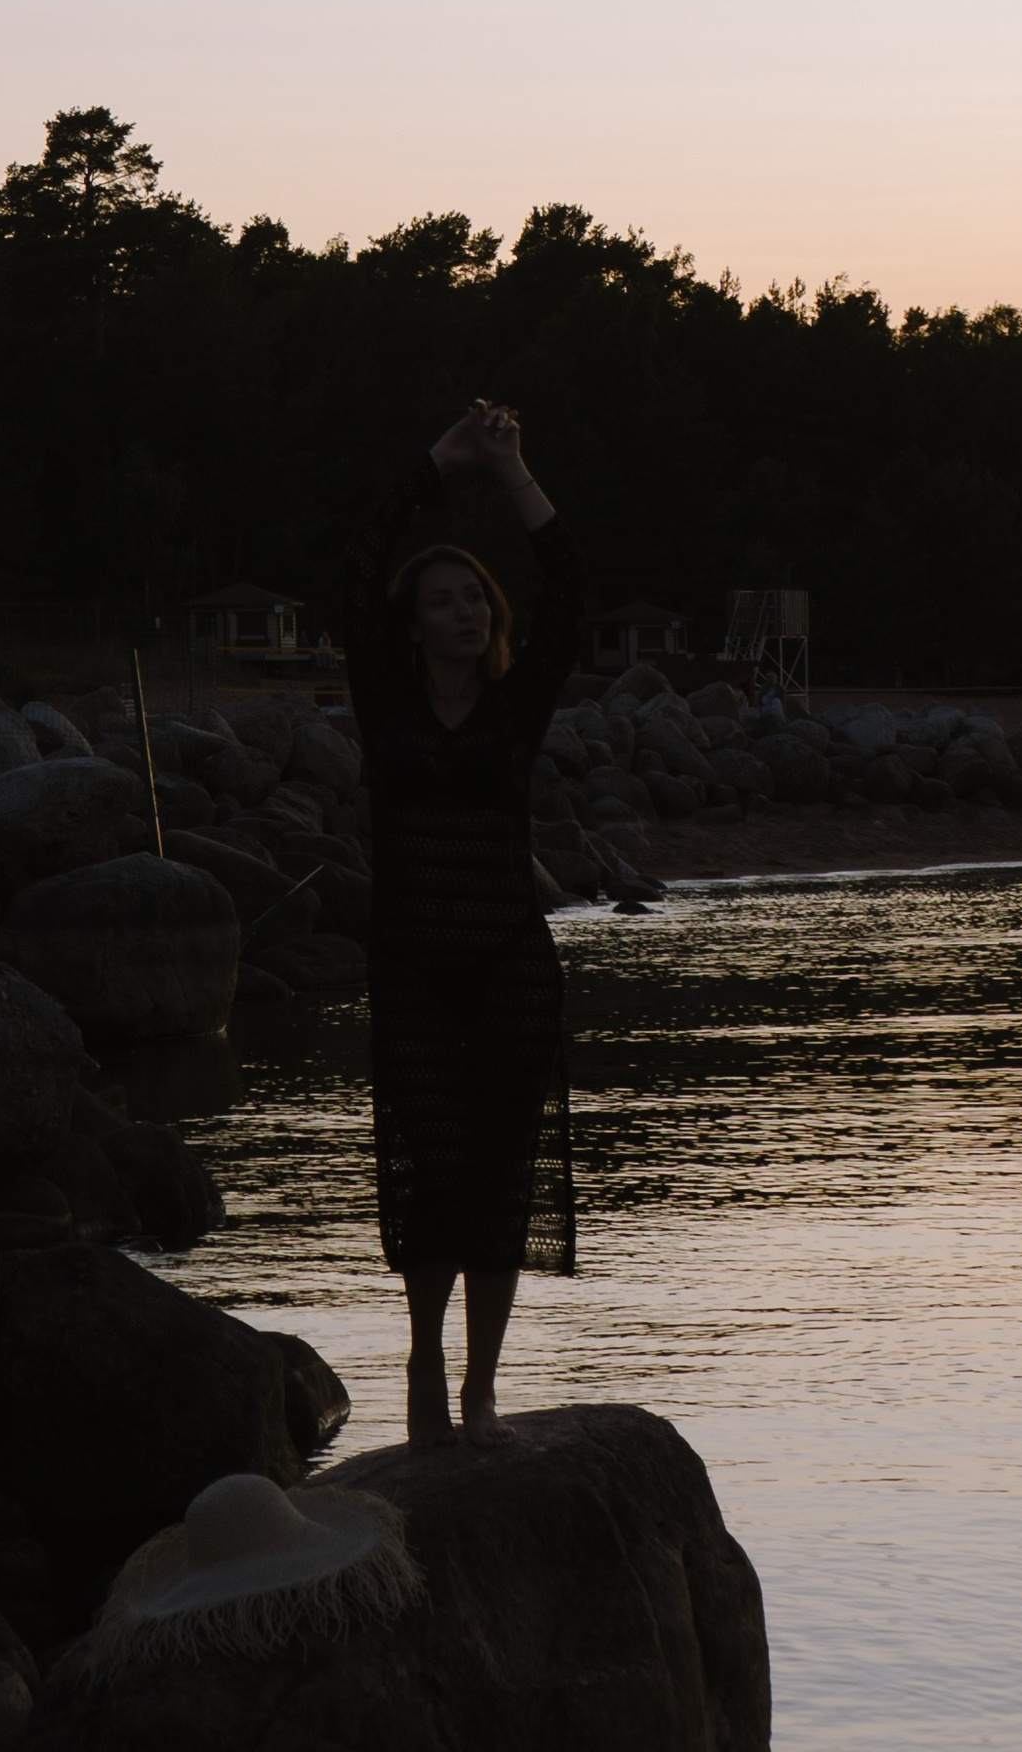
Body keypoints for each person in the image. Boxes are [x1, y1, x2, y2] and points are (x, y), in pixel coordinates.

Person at [341, 397, 587, 1450]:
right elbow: (354, 568)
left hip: (506, 969)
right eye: (442, 602)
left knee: (498, 1179)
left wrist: (514, 469)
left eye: (475, 600)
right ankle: (426, 1357)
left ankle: (481, 1387)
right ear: (412, 624)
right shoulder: (384, 704)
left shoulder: (511, 710)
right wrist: (435, 464)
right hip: (409, 968)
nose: (465, 614)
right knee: (427, 1169)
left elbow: (569, 589)